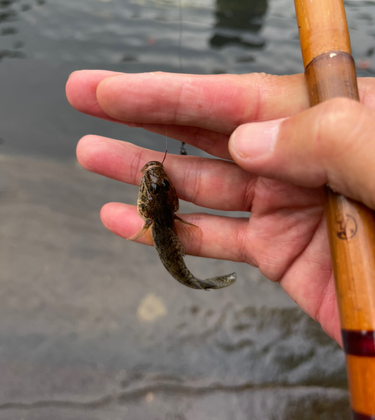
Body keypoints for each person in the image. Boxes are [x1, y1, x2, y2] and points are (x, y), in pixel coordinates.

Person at [66, 69, 375, 346]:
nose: (155, 180)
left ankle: (202, 282)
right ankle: (200, 282)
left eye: (157, 184)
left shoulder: (156, 209)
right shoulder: (165, 203)